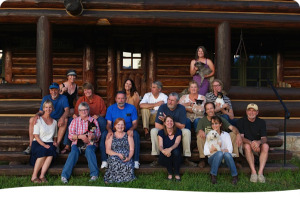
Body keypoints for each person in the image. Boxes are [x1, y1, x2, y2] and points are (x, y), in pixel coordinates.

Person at [150, 92, 195, 167]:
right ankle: (157, 157)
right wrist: (168, 128)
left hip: (177, 130)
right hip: (165, 130)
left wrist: (168, 120)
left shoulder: (181, 108)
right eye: (169, 99)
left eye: (172, 100)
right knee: (153, 131)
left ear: (177, 102)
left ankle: (186, 158)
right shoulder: (162, 107)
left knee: (186, 132)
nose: (170, 102)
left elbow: (182, 126)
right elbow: (157, 125)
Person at [23, 82, 69, 155]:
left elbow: (67, 110)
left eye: (55, 90)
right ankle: (31, 145)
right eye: (52, 90)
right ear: (49, 91)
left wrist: (62, 117)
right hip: (46, 118)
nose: (54, 92)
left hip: (57, 119)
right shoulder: (46, 98)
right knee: (32, 119)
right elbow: (41, 111)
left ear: (59, 90)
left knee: (65, 120)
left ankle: (57, 145)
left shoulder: (63, 98)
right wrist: (36, 115)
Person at [61, 82, 107, 154]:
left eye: (89, 89)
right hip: (83, 120)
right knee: (70, 120)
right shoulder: (81, 99)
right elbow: (76, 112)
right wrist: (74, 115)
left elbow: (104, 113)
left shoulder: (99, 99)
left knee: (102, 121)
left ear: (92, 90)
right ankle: (67, 145)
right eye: (85, 90)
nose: (87, 91)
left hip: (94, 121)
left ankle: (100, 144)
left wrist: (98, 116)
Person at [61, 102, 101, 183]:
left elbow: (98, 135)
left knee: (89, 150)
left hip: (90, 144)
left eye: (85, 110)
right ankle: (64, 176)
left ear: (88, 111)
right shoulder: (75, 121)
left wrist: (92, 137)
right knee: (73, 152)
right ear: (79, 111)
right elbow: (70, 135)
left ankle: (94, 175)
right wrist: (80, 137)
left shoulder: (93, 121)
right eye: (81, 110)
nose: (84, 112)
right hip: (77, 143)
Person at [100, 91, 140, 169]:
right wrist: (109, 130)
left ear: (126, 99)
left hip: (127, 130)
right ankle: (104, 161)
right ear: (116, 99)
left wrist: (131, 129)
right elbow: (108, 124)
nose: (121, 100)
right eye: (119, 98)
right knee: (104, 134)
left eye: (122, 98)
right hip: (115, 130)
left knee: (136, 134)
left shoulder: (132, 108)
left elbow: (135, 123)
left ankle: (136, 161)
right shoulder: (111, 108)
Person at [196, 102, 242, 168]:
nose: (210, 110)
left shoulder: (220, 119)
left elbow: (232, 128)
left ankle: (235, 159)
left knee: (233, 134)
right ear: (206, 111)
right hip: (209, 143)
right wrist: (200, 131)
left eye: (211, 108)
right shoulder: (202, 121)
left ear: (214, 109)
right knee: (199, 136)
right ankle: (203, 159)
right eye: (208, 109)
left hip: (221, 141)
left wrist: (238, 134)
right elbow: (198, 131)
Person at [236, 103, 269, 183]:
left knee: (266, 146)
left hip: (257, 147)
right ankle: (253, 172)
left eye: (254, 111)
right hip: (246, 145)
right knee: (247, 146)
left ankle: (260, 173)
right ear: (246, 111)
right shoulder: (241, 121)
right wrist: (252, 143)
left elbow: (264, 139)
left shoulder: (261, 122)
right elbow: (242, 138)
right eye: (249, 110)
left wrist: (258, 142)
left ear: (257, 112)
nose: (251, 113)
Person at [204, 116, 238, 185]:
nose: (214, 125)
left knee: (226, 154)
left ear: (220, 124)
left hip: (224, 160)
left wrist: (216, 149)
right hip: (212, 159)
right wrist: (220, 151)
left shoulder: (226, 135)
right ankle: (213, 175)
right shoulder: (209, 135)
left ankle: (235, 176)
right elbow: (206, 151)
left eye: (216, 123)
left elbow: (230, 149)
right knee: (219, 153)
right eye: (213, 124)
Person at [30, 100, 58, 183]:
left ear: (52, 109)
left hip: (49, 142)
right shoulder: (38, 120)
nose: (48, 109)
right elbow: (36, 136)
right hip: (38, 142)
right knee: (44, 150)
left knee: (51, 151)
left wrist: (55, 142)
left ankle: (42, 176)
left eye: (50, 107)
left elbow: (55, 135)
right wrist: (44, 145)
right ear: (43, 108)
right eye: (46, 107)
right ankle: (34, 176)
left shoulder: (55, 122)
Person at [104, 118, 136, 183]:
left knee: (127, 164)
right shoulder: (111, 135)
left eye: (122, 125)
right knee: (114, 161)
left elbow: (132, 149)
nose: (120, 127)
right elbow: (107, 150)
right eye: (118, 124)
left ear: (124, 126)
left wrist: (129, 158)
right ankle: (112, 179)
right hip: (114, 155)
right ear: (115, 126)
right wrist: (118, 154)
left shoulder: (128, 135)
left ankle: (122, 179)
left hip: (126, 156)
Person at [158, 116, 182, 181]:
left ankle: (177, 173)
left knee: (176, 151)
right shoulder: (161, 132)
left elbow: (176, 143)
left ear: (173, 123)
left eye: (171, 121)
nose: (169, 123)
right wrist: (164, 151)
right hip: (165, 156)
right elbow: (160, 146)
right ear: (165, 123)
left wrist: (169, 149)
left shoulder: (178, 131)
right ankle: (170, 173)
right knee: (166, 154)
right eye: (167, 121)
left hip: (175, 156)